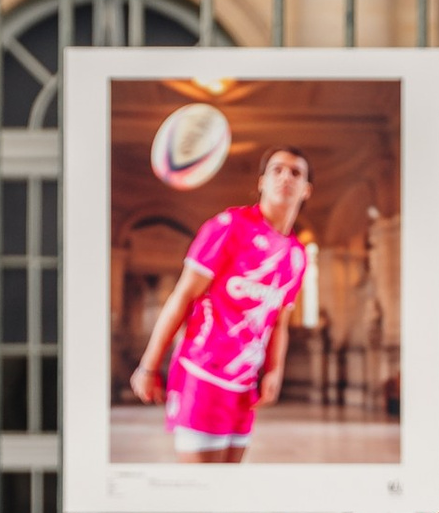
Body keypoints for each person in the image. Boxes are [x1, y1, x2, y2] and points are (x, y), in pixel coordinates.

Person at [128, 143, 314, 467]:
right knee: (200, 492)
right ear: (261, 182)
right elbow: (182, 296)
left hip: (244, 387)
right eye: (277, 170)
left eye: (295, 172)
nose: (286, 177)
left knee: (228, 485)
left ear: (306, 189)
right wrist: (149, 365)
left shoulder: (296, 255)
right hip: (202, 375)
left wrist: (274, 370)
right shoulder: (229, 226)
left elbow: (279, 322)